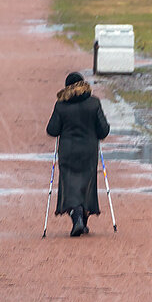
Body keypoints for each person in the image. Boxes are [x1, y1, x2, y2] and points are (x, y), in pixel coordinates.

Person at [46, 71, 110, 236]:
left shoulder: (61, 106)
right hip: (88, 151)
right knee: (87, 182)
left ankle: (77, 217)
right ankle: (82, 218)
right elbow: (103, 131)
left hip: (68, 151)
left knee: (70, 184)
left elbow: (52, 130)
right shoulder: (94, 103)